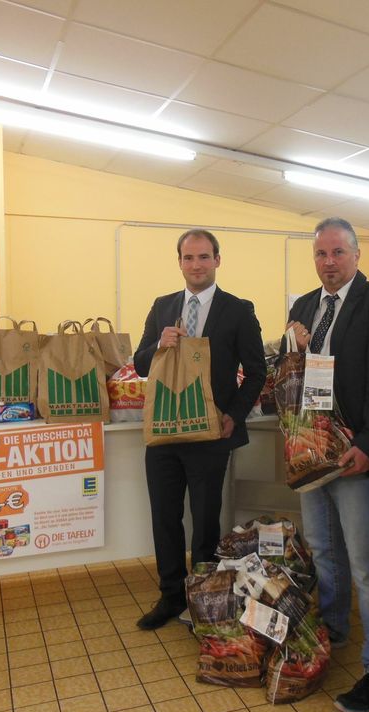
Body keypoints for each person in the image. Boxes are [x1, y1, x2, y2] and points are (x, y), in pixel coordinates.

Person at [285, 217, 369, 712]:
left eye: (338, 253)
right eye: (321, 255)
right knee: (322, 549)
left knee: (368, 566)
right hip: (313, 452)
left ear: (357, 255)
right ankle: (333, 633)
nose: (329, 262)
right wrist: (289, 342)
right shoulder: (303, 307)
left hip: (357, 454)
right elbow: (294, 377)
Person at [133, 229, 266, 629]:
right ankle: (171, 596)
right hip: (163, 434)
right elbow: (140, 364)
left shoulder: (238, 310)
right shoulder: (162, 307)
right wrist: (159, 344)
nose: (196, 265)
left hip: (211, 435)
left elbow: (257, 372)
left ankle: (204, 599)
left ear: (217, 261)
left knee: (206, 519)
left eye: (204, 257)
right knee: (164, 517)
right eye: (189, 258)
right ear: (179, 262)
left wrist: (234, 415)